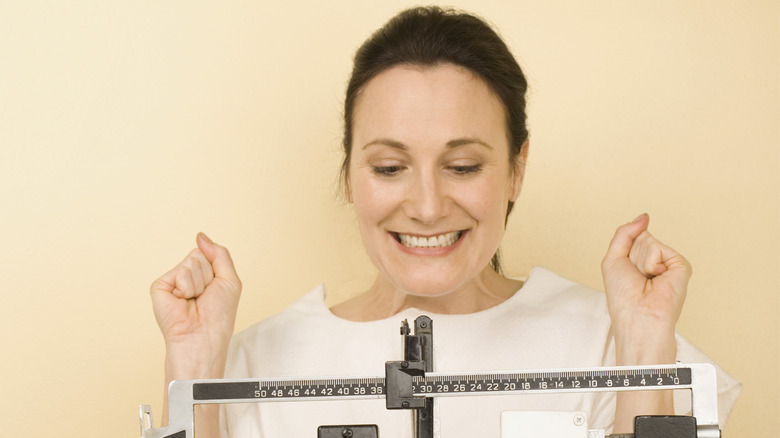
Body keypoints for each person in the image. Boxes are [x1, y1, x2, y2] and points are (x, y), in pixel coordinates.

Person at [150, 6, 740, 437]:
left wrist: (643, 346)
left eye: (461, 166)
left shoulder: (614, 342)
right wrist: (195, 368)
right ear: (349, 174)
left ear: (516, 169)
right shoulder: (255, 362)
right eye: (389, 166)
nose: (428, 206)